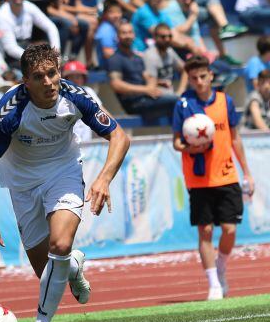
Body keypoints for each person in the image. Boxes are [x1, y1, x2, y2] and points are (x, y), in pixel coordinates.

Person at [0, 44, 130, 322]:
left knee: (59, 244)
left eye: (52, 73)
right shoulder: (10, 110)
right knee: (48, 269)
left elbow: (119, 136)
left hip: (63, 172)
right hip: (22, 183)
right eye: (38, 77)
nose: (48, 82)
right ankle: (73, 266)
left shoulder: (76, 97)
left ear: (60, 71)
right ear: (25, 81)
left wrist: (104, 178)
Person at [172, 55, 253, 300]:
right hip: (198, 178)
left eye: (202, 76)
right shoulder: (183, 105)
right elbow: (176, 142)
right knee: (205, 230)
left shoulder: (224, 101)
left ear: (210, 76)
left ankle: (221, 267)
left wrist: (247, 171)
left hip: (227, 175)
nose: (198, 81)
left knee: (229, 229)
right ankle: (213, 284)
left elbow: (235, 137)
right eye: (193, 77)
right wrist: (189, 148)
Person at [108, 22, 181, 120]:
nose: (128, 36)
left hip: (146, 98)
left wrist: (159, 83)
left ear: (134, 35)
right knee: (177, 100)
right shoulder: (115, 59)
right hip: (135, 104)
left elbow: (144, 78)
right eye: (124, 33)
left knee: (179, 100)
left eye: (130, 32)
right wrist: (146, 90)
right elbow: (116, 85)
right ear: (118, 36)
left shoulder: (137, 57)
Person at [0, 0, 61, 70]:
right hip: (10, 56)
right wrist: (34, 60)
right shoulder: (2, 14)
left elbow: (51, 27)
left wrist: (56, 54)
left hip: (27, 47)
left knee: (45, 49)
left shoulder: (29, 6)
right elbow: (10, 48)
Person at [170, 0, 245, 64]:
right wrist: (193, 15)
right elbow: (179, 31)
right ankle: (225, 30)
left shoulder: (192, 9)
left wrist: (205, 52)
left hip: (197, 49)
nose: (188, 1)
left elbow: (195, 33)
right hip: (185, 51)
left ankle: (225, 29)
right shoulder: (173, 9)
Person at [131, 0, 196, 53]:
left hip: (156, 52)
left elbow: (173, 33)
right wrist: (188, 44)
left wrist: (189, 41)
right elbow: (163, 36)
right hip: (140, 52)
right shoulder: (143, 12)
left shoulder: (162, 14)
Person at [61, 60, 104, 143]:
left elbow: (102, 111)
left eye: (78, 76)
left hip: (86, 143)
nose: (74, 80)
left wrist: (116, 127)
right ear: (65, 79)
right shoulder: (62, 95)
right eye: (71, 77)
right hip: (69, 145)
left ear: (83, 78)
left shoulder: (88, 91)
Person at [142, 23, 186, 95]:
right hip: (158, 95)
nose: (167, 39)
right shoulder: (150, 56)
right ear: (155, 37)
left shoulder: (169, 51)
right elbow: (149, 82)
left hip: (172, 92)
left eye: (170, 36)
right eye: (163, 37)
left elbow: (185, 69)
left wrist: (181, 90)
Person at [94, 0, 123, 69]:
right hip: (108, 69)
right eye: (111, 12)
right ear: (105, 14)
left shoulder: (114, 27)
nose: (116, 15)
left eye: (118, 12)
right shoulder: (105, 30)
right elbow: (108, 53)